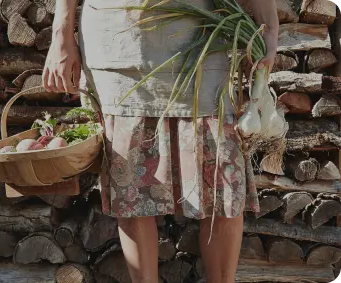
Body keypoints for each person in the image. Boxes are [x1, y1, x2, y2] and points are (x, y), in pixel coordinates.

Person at [43, 1, 279, 282]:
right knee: (132, 193)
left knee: (222, 192)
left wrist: (270, 31)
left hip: (204, 40)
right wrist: (60, 34)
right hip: (120, 45)